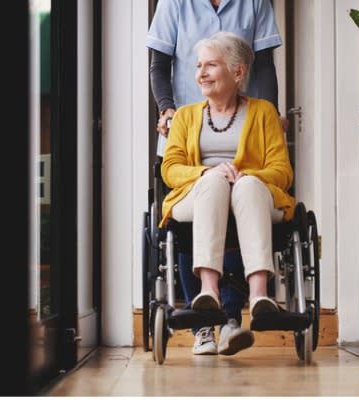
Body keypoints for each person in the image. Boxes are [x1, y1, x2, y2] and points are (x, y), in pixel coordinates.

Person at [146, 0, 285, 356]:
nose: (201, 73)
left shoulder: (255, 4)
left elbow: (265, 64)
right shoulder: (174, 4)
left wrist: (268, 116)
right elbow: (159, 65)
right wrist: (167, 109)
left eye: (211, 65)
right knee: (206, 195)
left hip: (246, 172)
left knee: (247, 189)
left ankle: (244, 309)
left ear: (238, 72)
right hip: (192, 157)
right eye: (199, 66)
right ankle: (204, 318)